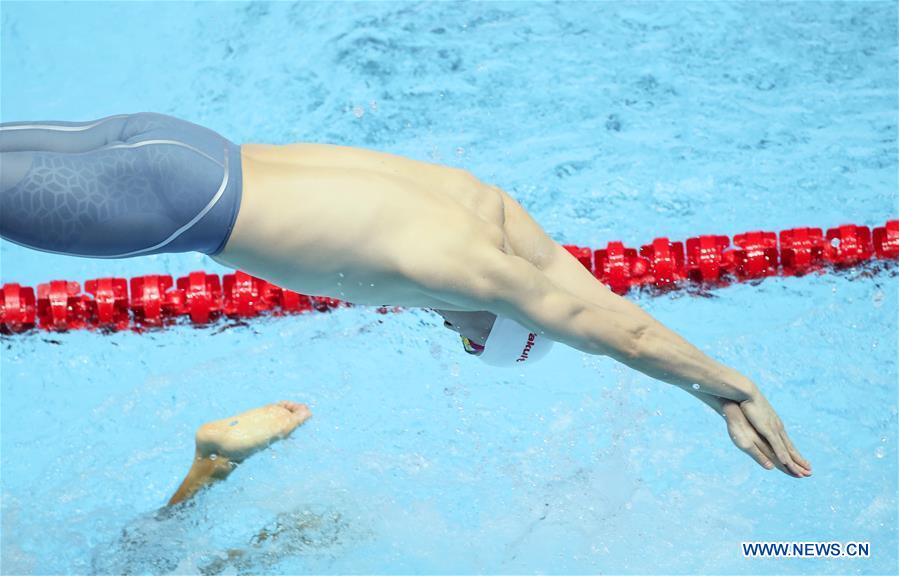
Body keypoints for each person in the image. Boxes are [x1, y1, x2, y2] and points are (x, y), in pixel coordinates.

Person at [0, 112, 811, 477]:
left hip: (184, 145)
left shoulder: (488, 210)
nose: (447, 331)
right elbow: (611, 334)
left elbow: (586, 294)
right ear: (495, 321)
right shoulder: (467, 272)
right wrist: (729, 389)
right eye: (466, 338)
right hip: (166, 201)